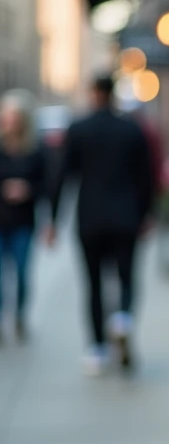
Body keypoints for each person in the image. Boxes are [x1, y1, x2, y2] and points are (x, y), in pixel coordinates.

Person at [48, 75, 156, 376]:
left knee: (93, 284)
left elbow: (62, 176)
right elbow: (147, 178)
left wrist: (53, 220)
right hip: (127, 217)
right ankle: (122, 317)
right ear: (113, 95)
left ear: (93, 94)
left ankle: (97, 348)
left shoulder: (79, 129)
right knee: (126, 275)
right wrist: (147, 214)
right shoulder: (133, 130)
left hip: (91, 218)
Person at [0, 90, 47, 343]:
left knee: (20, 273)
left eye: (15, 116)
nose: (10, 121)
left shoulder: (35, 151)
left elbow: (46, 184)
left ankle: (19, 316)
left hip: (23, 222)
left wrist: (28, 189)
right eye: (6, 116)